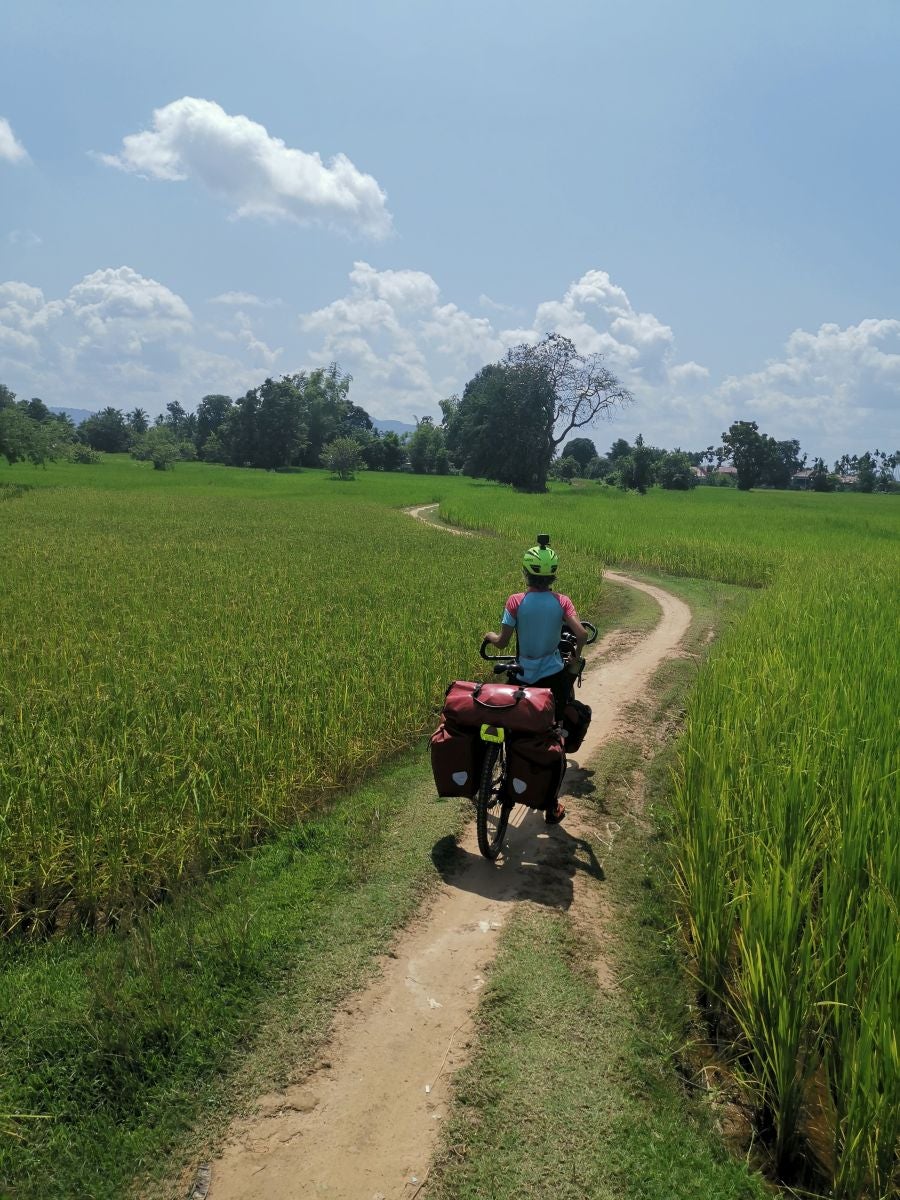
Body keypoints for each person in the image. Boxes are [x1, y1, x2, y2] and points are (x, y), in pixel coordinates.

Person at [483, 538, 588, 825]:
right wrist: (575, 657)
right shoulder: (562, 602)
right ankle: (551, 806)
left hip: (520, 675)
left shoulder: (515, 601)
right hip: (552, 679)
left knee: (511, 723)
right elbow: (580, 634)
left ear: (526, 572)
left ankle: (498, 768)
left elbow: (502, 642)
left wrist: (490, 637)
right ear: (553, 574)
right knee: (554, 735)